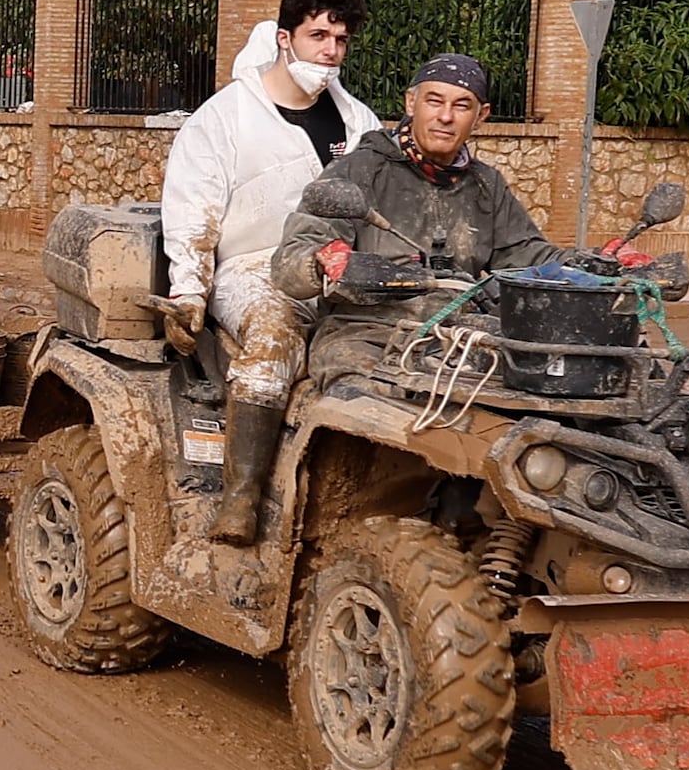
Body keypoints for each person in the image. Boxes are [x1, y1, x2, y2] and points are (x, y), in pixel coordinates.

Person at [215, 53, 553, 540]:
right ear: (411, 103)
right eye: (433, 101)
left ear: (481, 116)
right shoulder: (361, 172)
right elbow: (292, 259)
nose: (445, 115)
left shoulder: (487, 187)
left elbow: (526, 255)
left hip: (459, 338)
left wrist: (594, 264)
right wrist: (327, 262)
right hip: (365, 335)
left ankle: (468, 517)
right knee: (382, 408)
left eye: (461, 105)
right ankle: (247, 499)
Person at [159, 0, 377, 539]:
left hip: (341, 270)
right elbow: (193, 215)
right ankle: (242, 496)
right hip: (254, 269)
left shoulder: (359, 124)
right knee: (274, 335)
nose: (330, 50)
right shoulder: (225, 118)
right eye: (318, 35)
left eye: (342, 40)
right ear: (285, 38)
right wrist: (189, 291)